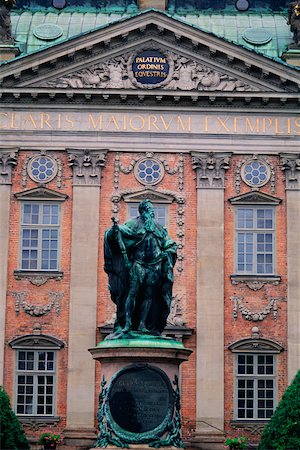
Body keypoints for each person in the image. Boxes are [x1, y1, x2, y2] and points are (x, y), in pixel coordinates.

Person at [104, 199, 177, 337]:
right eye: (149, 209)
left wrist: (169, 251)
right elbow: (118, 232)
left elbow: (169, 242)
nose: (152, 211)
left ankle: (143, 324)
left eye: (152, 209)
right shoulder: (134, 224)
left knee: (149, 296)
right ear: (142, 211)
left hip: (155, 266)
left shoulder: (158, 228)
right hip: (138, 265)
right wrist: (113, 231)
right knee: (132, 293)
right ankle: (127, 323)